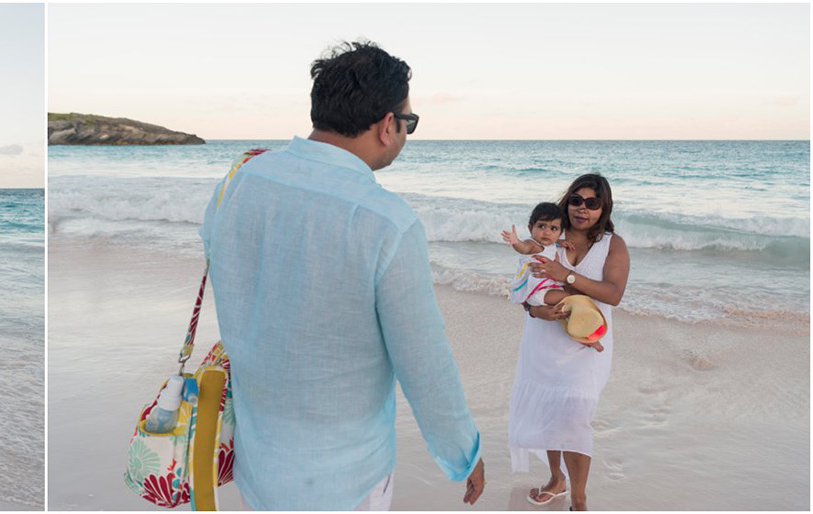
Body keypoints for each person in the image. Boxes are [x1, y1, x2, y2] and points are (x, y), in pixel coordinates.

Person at [196, 41, 485, 510]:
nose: (406, 132)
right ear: (388, 125)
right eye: (408, 122)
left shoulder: (237, 183)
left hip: (256, 464)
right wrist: (462, 454)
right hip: (346, 480)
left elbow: (230, 269)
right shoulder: (386, 222)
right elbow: (423, 359)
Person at [511, 173, 631, 511]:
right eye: (577, 200)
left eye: (592, 203)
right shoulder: (550, 236)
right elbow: (523, 283)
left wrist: (566, 276)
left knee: (576, 412)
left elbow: (613, 294)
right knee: (552, 409)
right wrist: (536, 313)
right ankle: (556, 479)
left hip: (586, 340)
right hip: (545, 337)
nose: (582, 209)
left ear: (604, 208)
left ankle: (578, 500)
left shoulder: (613, 244)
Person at [503, 203, 606, 351]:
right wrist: (515, 242)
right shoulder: (533, 245)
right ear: (530, 228)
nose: (547, 232)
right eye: (541, 226)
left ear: (560, 232)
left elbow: (552, 243)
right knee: (571, 299)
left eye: (553, 229)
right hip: (539, 292)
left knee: (565, 310)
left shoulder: (550, 243)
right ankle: (590, 336)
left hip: (545, 288)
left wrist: (561, 242)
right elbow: (524, 248)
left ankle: (580, 333)